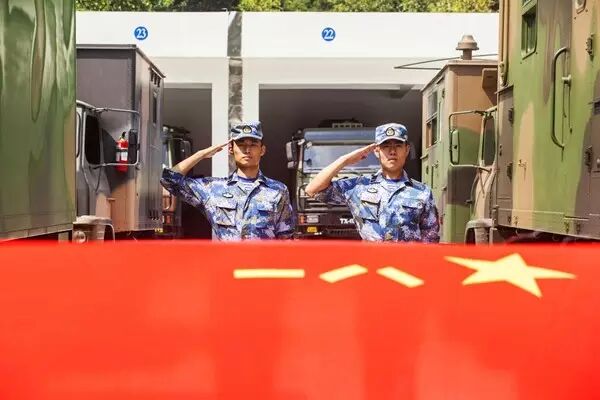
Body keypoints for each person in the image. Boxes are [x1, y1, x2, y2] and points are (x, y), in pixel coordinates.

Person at [305, 123, 439, 242]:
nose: (392, 151)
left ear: (407, 149)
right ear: (376, 151)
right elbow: (312, 189)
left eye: (398, 146)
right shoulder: (359, 187)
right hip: (372, 260)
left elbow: (430, 238)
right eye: (386, 146)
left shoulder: (422, 192)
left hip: (407, 261)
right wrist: (345, 160)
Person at [161, 121, 295, 240]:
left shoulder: (277, 190)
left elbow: (286, 238)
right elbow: (169, 179)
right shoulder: (213, 189)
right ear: (231, 149)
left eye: (253, 144)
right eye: (241, 144)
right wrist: (201, 154)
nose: (247, 150)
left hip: (262, 261)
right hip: (228, 260)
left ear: (262, 150)